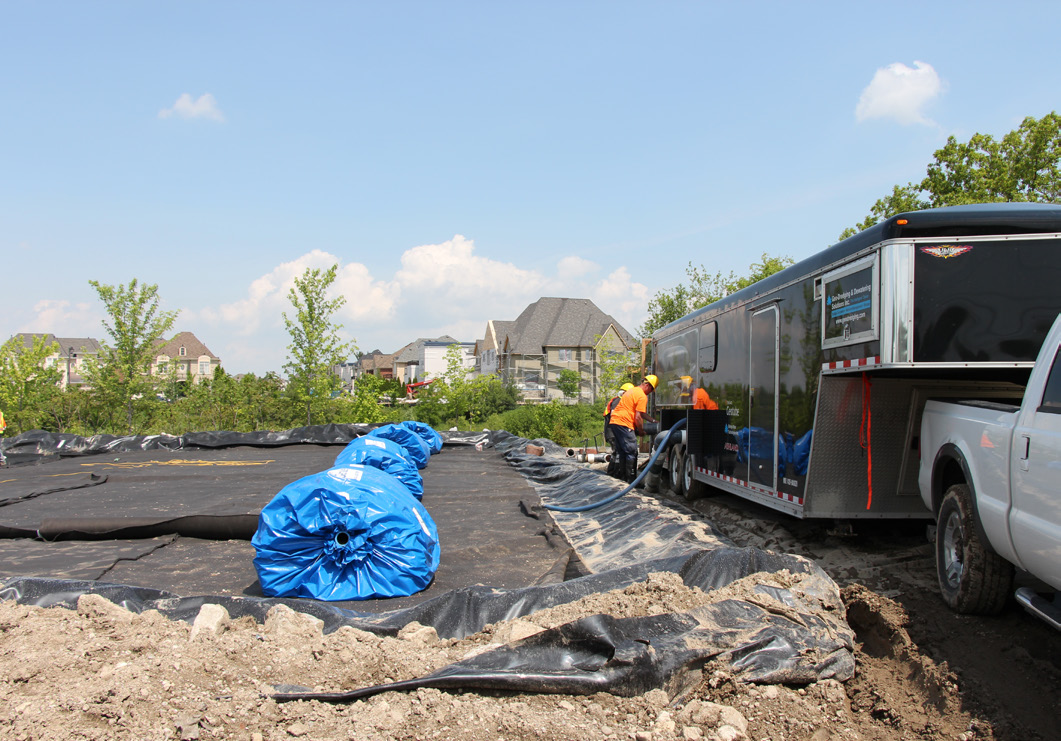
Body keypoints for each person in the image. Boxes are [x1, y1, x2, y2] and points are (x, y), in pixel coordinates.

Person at [607, 375, 658, 482]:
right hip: (624, 423)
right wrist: (641, 430)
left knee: (622, 452)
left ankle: (623, 478)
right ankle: (631, 479)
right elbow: (638, 417)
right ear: (648, 385)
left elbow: (642, 413)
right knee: (632, 452)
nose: (651, 392)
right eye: (652, 389)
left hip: (615, 422)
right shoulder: (642, 396)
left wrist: (653, 421)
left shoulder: (633, 391)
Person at [603, 383, 635, 476]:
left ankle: (614, 473)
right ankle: (614, 473)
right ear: (624, 393)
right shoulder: (618, 401)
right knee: (617, 453)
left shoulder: (617, 400)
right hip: (613, 432)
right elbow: (615, 415)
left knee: (617, 453)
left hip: (613, 431)